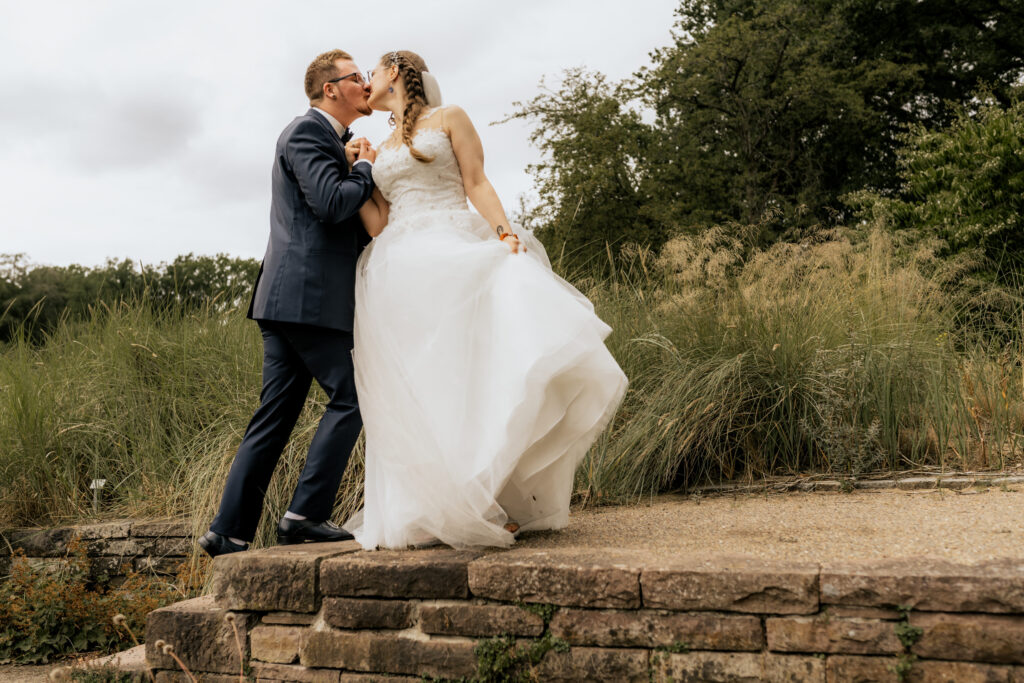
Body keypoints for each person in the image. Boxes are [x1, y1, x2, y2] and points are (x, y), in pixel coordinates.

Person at [341, 50, 628, 549]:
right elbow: (378, 223)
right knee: (419, 383)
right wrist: (358, 174)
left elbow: (475, 182)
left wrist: (504, 234)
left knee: (469, 372)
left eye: (373, 71)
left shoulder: (449, 118)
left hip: (454, 245)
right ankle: (428, 507)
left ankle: (486, 497)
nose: (367, 81)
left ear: (396, 72)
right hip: (398, 267)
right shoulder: (379, 145)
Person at [199, 49, 379, 557]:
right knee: (352, 395)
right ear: (330, 89)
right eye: (356, 77)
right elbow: (331, 204)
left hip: (289, 297)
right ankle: (304, 515)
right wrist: (364, 167)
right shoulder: (306, 133)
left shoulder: (327, 140)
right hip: (308, 295)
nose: (365, 84)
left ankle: (227, 532)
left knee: (274, 417)